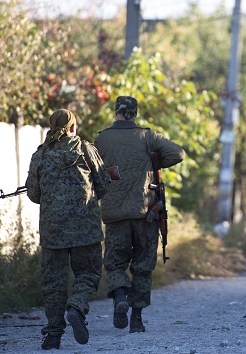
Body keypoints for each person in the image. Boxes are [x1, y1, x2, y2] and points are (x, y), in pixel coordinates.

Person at [95, 96, 185, 333]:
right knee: (143, 267)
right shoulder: (148, 136)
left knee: (115, 264)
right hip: (146, 214)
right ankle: (136, 319)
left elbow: (92, 170)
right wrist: (154, 164)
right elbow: (179, 154)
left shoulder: (101, 138)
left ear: (116, 112)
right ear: (134, 113)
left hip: (114, 215)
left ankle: (120, 297)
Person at [25, 109, 111, 350]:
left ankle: (53, 335)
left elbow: (33, 194)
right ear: (73, 127)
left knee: (53, 283)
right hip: (87, 229)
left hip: (53, 232)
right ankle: (76, 307)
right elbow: (103, 185)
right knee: (89, 273)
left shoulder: (40, 155)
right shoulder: (86, 149)